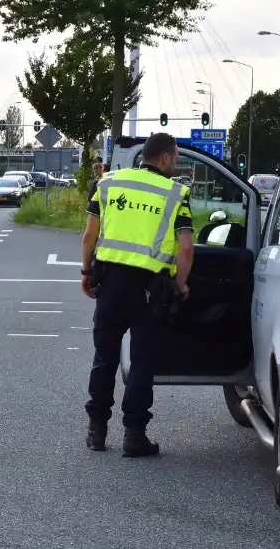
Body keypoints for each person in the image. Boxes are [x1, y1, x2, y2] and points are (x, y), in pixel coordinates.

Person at [80, 132, 194, 458]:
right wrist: (181, 285)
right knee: (142, 361)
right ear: (167, 158)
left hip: (110, 283)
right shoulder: (175, 194)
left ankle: (96, 431)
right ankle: (134, 435)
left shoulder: (107, 183)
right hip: (150, 290)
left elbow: (90, 235)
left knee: (105, 357)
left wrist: (87, 273)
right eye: (175, 158)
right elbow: (185, 249)